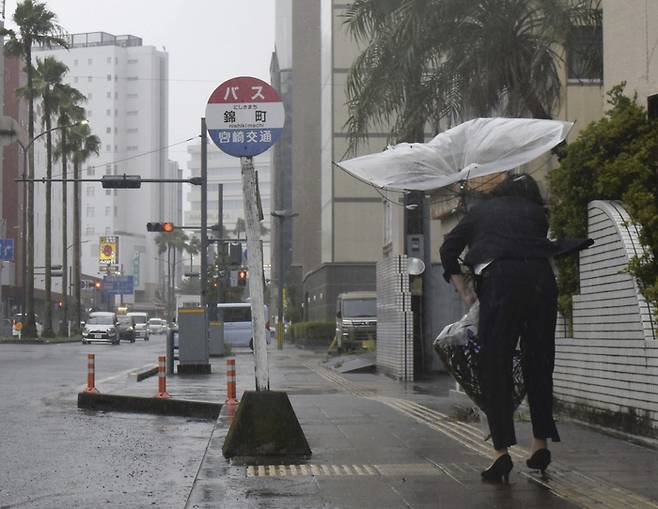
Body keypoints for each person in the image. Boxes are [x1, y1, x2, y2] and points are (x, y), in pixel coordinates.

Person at [439, 173, 592, 483]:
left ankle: (501, 452)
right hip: (540, 280)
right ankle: (539, 445)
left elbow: (447, 251)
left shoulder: (479, 212)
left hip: (502, 281)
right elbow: (521, 239)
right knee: (539, 362)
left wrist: (464, 292)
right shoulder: (536, 213)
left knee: (494, 364)